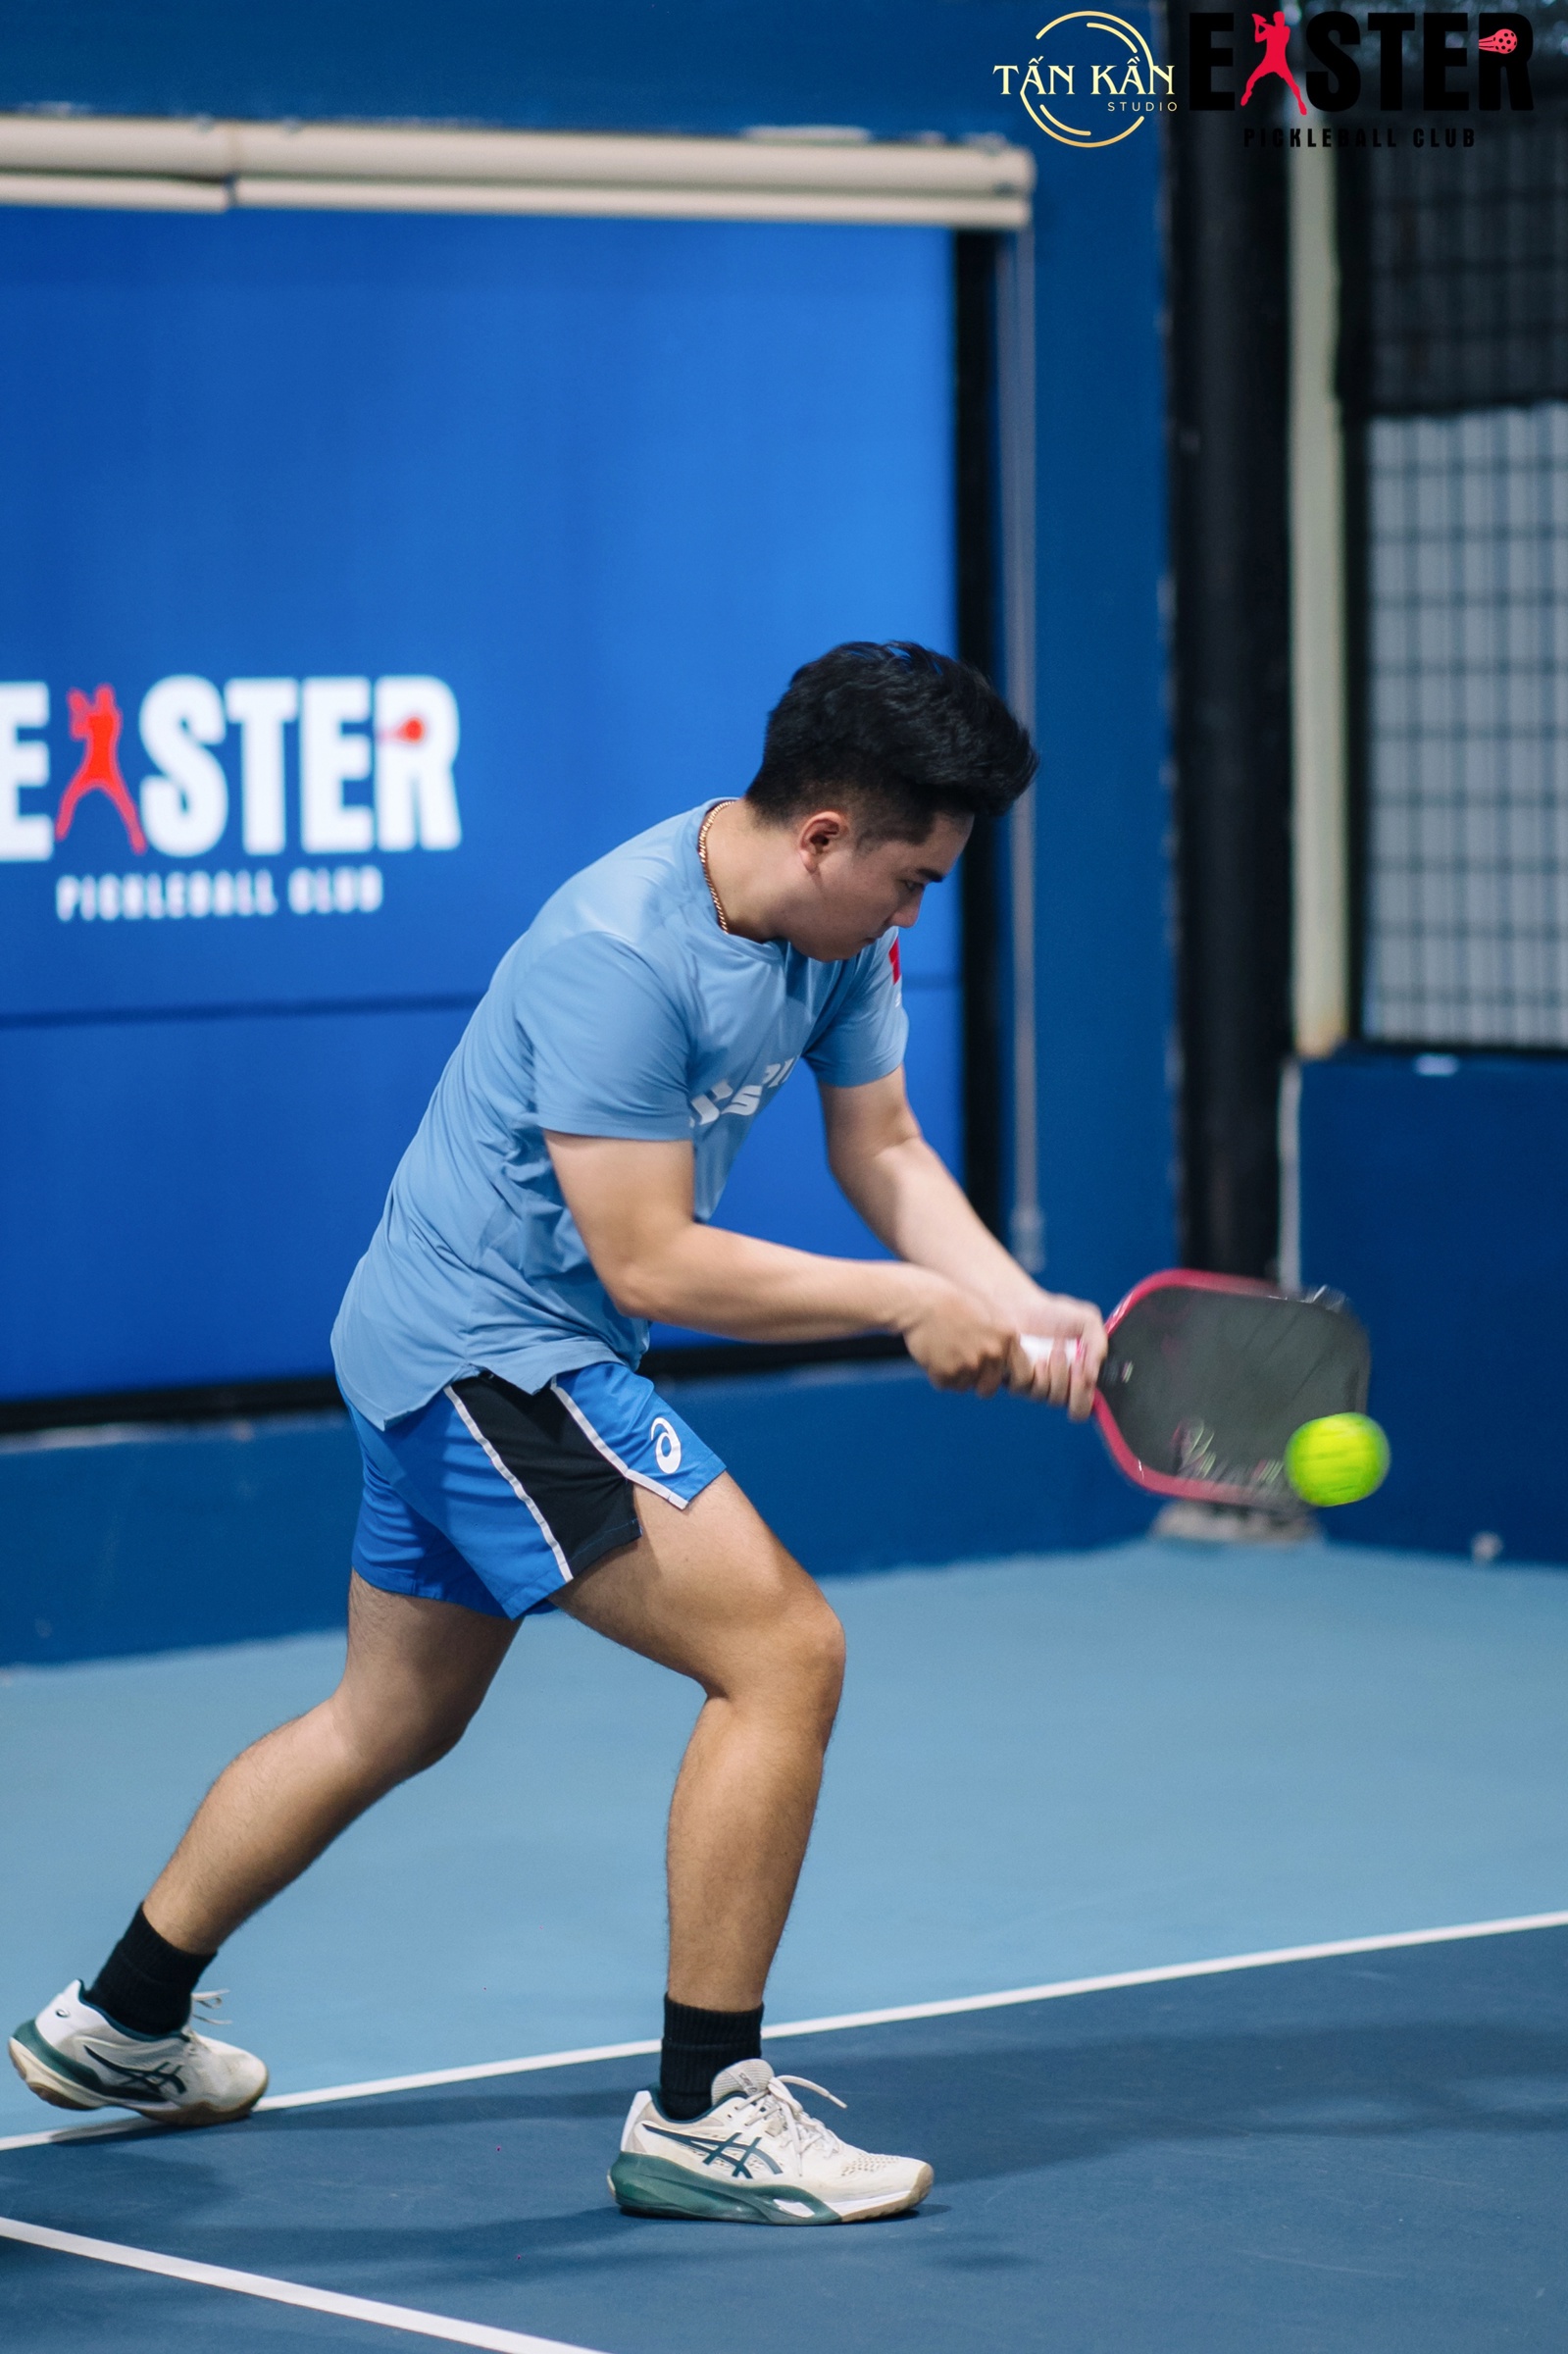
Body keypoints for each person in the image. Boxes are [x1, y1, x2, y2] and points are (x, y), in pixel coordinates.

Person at [11, 641, 1107, 2226]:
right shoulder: (621, 950)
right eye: (910, 879)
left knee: (390, 1717)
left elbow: (885, 1147)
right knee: (783, 1653)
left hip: (443, 1343)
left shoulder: (836, 939)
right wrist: (904, 1307)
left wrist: (1013, 1301)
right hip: (488, 1355)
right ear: (822, 837)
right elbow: (650, 1260)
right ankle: (703, 2108)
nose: (914, 916)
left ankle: (119, 2019)